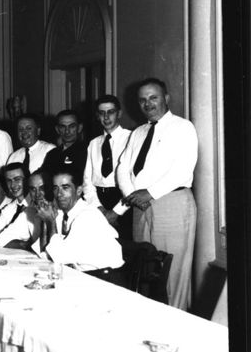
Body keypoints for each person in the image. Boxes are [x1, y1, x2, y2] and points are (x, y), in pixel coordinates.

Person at [115, 77, 197, 309]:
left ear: (166, 98)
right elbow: (123, 166)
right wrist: (132, 194)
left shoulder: (182, 127)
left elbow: (182, 169)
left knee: (172, 272)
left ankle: (177, 326)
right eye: (142, 100)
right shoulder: (138, 132)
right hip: (140, 206)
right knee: (144, 269)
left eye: (153, 97)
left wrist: (149, 193)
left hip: (171, 202)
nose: (148, 104)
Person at [34, 170, 123, 276]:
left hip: (106, 277)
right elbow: (46, 254)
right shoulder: (62, 214)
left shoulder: (87, 215)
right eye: (55, 188)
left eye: (65, 187)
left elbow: (59, 257)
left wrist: (50, 222)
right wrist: (45, 219)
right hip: (83, 274)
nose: (59, 194)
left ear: (79, 190)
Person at [82, 94, 133, 240]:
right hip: (98, 201)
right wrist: (99, 209)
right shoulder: (93, 143)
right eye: (101, 113)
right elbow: (87, 181)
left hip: (123, 201)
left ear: (119, 113)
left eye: (110, 112)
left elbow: (133, 182)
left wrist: (117, 212)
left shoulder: (131, 138)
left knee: (126, 249)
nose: (106, 117)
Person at [42, 109, 87, 183]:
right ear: (57, 129)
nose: (67, 131)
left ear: (79, 128)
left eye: (72, 126)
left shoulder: (87, 151)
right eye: (63, 127)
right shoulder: (52, 154)